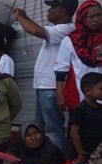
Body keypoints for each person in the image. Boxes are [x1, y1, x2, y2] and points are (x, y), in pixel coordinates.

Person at [13, 0, 76, 154]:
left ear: (62, 10)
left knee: (53, 130)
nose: (48, 10)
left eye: (52, 7)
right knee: (40, 129)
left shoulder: (67, 29)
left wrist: (21, 17)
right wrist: (26, 17)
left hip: (51, 88)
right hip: (44, 87)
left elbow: (35, 30)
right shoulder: (57, 30)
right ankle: (43, 162)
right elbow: (38, 29)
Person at [55, 0, 102, 112]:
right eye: (91, 17)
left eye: (99, 15)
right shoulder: (71, 40)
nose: (96, 19)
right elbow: (61, 71)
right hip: (82, 99)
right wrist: (60, 96)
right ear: (82, 19)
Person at [69, 72, 102, 163]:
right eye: (101, 89)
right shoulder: (80, 109)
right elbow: (74, 132)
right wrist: (81, 153)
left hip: (97, 153)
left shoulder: (100, 108)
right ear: (88, 91)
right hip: (85, 154)